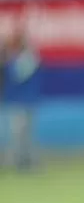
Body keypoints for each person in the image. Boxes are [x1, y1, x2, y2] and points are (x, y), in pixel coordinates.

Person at [1, 24, 42, 171]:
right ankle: (18, 162)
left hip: (25, 101)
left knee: (24, 135)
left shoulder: (28, 57)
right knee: (16, 135)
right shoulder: (12, 58)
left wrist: (9, 58)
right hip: (15, 102)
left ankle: (25, 162)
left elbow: (18, 74)